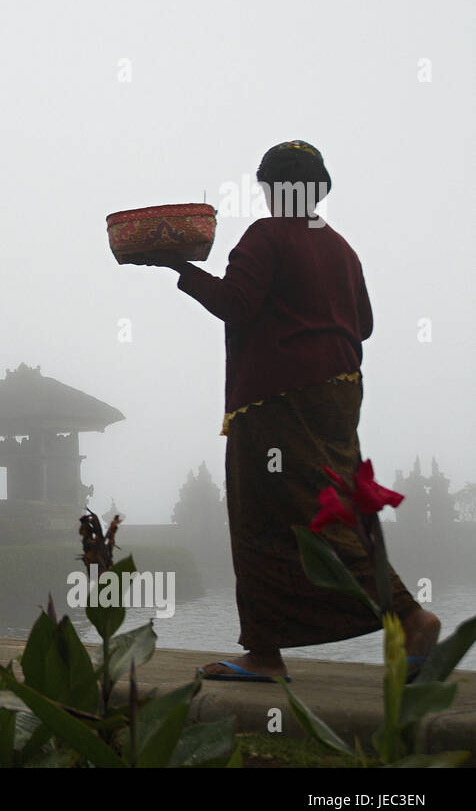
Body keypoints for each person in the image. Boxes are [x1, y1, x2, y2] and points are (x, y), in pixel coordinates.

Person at [132, 140, 440, 680]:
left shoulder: (268, 235)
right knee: (333, 504)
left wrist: (177, 266)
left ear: (272, 189)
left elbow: (237, 304)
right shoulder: (342, 247)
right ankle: (270, 647)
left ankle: (401, 618)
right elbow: (363, 324)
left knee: (265, 517)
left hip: (277, 397)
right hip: (339, 394)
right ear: (319, 188)